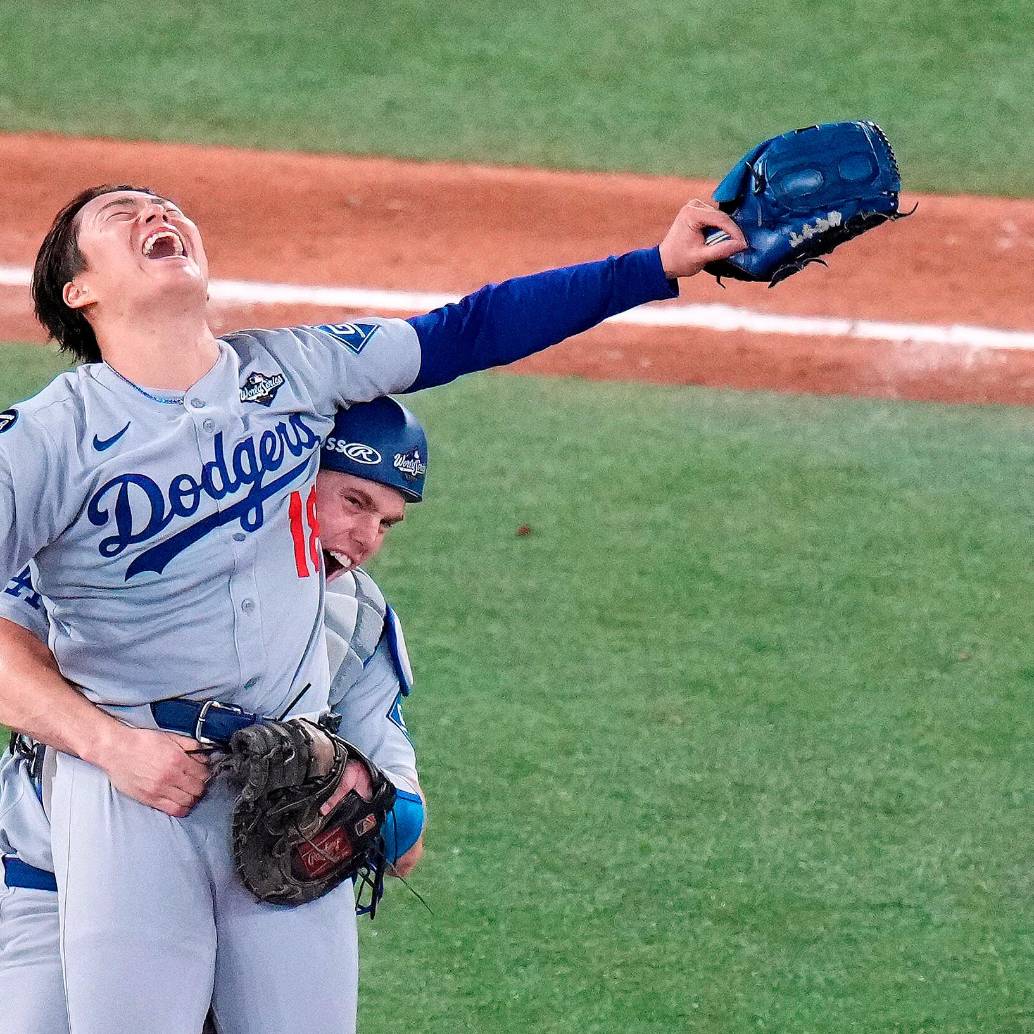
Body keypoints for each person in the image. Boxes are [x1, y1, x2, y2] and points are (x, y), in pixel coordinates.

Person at [0, 184, 746, 1034]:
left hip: (290, 780)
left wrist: (653, 266)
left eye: (165, 206)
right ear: (78, 290)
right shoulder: (42, 442)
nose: (156, 215)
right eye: (122, 214)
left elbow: (466, 330)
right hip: (132, 790)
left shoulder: (298, 367)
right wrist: (110, 745)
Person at [0, 397, 430, 1034]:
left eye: (386, 522)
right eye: (354, 502)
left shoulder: (358, 619)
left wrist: (346, 781)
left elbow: (406, 843)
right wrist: (111, 746)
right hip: (51, 873)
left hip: (249, 890)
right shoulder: (125, 554)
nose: (366, 541)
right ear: (289, 474)